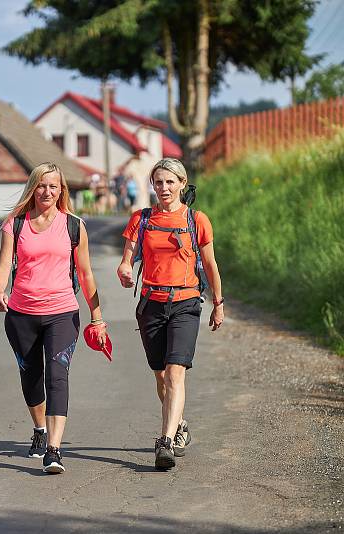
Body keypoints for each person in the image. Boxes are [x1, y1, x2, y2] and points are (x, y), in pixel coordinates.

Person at [0, 162, 108, 474]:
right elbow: (4, 264)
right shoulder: (15, 224)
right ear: (33, 188)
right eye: (42, 186)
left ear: (61, 190)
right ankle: (39, 430)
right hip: (21, 314)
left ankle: (54, 450)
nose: (47, 192)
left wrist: (97, 316)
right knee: (31, 375)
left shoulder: (73, 225)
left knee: (57, 375)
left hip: (62, 312)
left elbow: (85, 274)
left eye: (53, 186)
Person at [116, 158, 224, 470]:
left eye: (169, 182)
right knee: (161, 375)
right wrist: (124, 269)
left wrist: (218, 302)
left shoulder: (196, 220)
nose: (163, 188)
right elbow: (127, 259)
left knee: (176, 372)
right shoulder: (142, 219)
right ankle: (179, 423)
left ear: (181, 183)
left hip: (186, 303)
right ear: (153, 185)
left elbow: (211, 264)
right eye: (159, 182)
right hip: (151, 303)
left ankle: (165, 441)